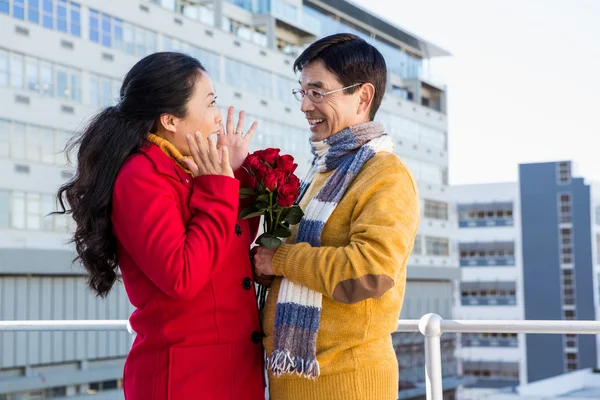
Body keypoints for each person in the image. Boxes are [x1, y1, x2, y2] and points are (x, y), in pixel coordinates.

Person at [56, 52, 265, 400]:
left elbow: (228, 248)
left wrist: (233, 171)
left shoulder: (184, 166)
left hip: (229, 368)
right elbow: (181, 276)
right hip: (185, 379)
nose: (217, 119)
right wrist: (218, 187)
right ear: (170, 119)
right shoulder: (142, 176)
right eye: (210, 104)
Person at [252, 33, 420, 400]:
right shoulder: (322, 171)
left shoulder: (385, 173)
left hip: (350, 383)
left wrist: (281, 259)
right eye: (302, 92)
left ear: (362, 97)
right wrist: (267, 266)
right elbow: (299, 266)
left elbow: (369, 272)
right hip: (295, 381)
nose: (305, 107)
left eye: (318, 92)